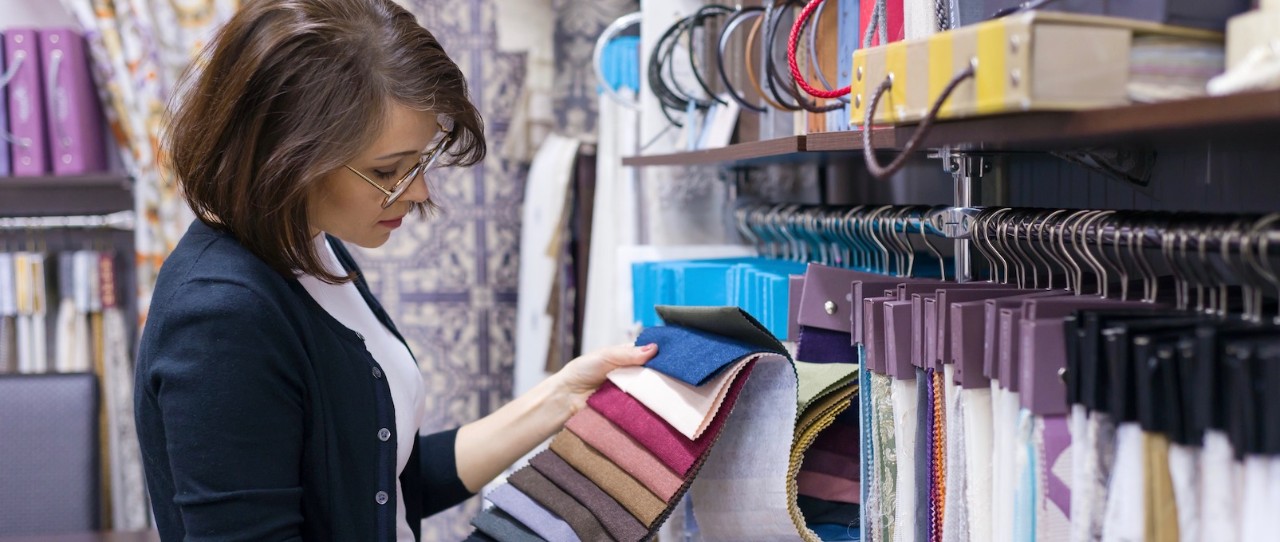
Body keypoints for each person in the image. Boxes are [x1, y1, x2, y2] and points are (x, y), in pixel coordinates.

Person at [133, 0, 657, 540]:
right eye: (388, 171)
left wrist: (561, 397)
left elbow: (379, 485)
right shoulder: (220, 321)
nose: (419, 192)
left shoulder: (310, 248)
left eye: (420, 162)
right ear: (286, 156)